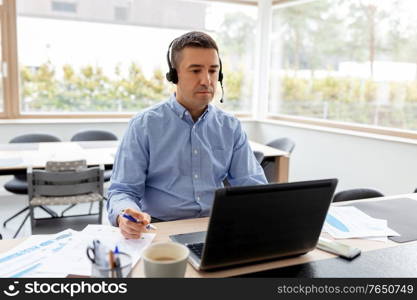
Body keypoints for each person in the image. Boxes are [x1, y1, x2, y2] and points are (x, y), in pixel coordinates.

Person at [107, 31, 267, 239]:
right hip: (160, 228)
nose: (206, 80)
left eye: (213, 70)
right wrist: (124, 214)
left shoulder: (230, 126)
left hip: (215, 228)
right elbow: (122, 190)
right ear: (174, 76)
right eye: (195, 70)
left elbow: (251, 186)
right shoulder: (144, 125)